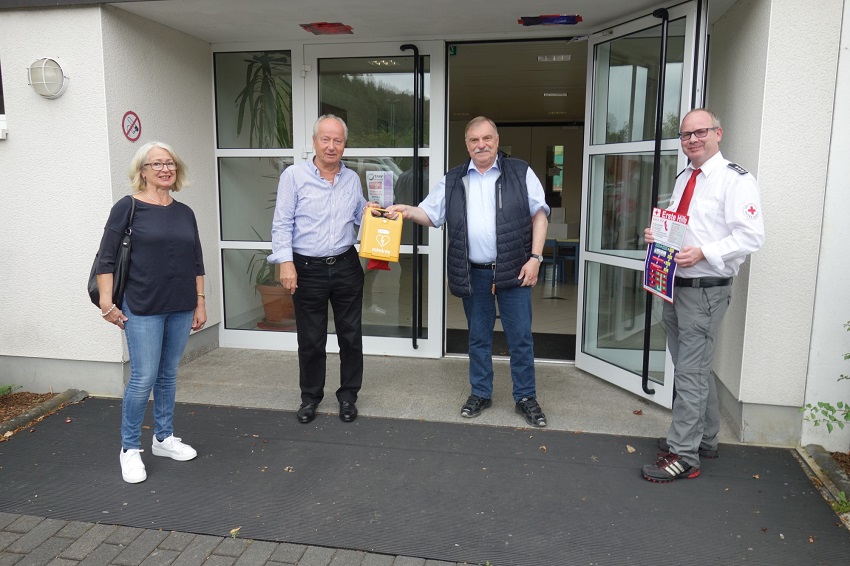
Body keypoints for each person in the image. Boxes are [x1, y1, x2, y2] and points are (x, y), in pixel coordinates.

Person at [386, 116, 550, 427]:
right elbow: (430, 214)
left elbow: (539, 216)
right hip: (474, 272)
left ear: (497, 141)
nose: (481, 145)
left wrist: (536, 258)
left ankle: (526, 397)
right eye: (474, 140)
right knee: (477, 337)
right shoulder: (454, 179)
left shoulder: (520, 172)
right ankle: (481, 392)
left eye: (487, 138)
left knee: (520, 338)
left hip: (515, 270)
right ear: (467, 145)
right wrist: (406, 210)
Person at [641, 109, 765, 483]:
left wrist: (703, 253)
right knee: (693, 369)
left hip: (705, 291)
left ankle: (684, 454)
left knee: (691, 375)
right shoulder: (684, 178)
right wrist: (658, 237)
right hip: (675, 287)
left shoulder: (735, 181)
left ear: (718, 133)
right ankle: (705, 438)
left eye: (700, 132)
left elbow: (751, 236)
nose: (692, 140)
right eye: (686, 135)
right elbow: (684, 229)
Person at [95, 141, 206, 484]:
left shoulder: (185, 212)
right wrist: (106, 302)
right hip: (141, 305)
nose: (165, 169)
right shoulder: (128, 208)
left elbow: (196, 260)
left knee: (168, 374)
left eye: (170, 163)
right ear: (142, 171)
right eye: (156, 164)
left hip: (180, 303)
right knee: (143, 378)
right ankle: (129, 449)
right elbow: (107, 258)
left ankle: (163, 438)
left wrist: (200, 301)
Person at [269, 115, 375, 425]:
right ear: (314, 142)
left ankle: (348, 397)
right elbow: (282, 222)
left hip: (345, 265)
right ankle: (310, 397)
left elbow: (360, 216)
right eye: (325, 139)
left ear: (344, 144)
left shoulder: (351, 179)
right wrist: (286, 263)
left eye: (338, 141)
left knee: (351, 336)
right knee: (311, 339)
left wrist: (379, 213)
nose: (331, 146)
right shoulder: (294, 176)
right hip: (306, 269)